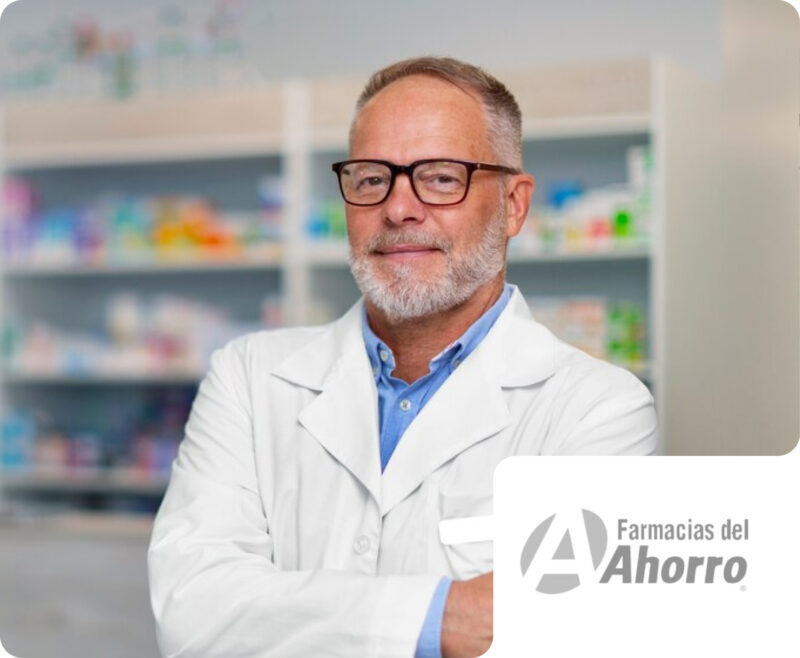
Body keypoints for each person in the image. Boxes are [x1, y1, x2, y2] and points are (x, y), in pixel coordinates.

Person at [148, 56, 658, 658]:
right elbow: (192, 611)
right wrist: (447, 615)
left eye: (442, 177)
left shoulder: (598, 412)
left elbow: (571, 639)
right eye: (370, 178)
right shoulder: (249, 377)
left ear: (514, 205)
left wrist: (282, 613)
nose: (398, 208)